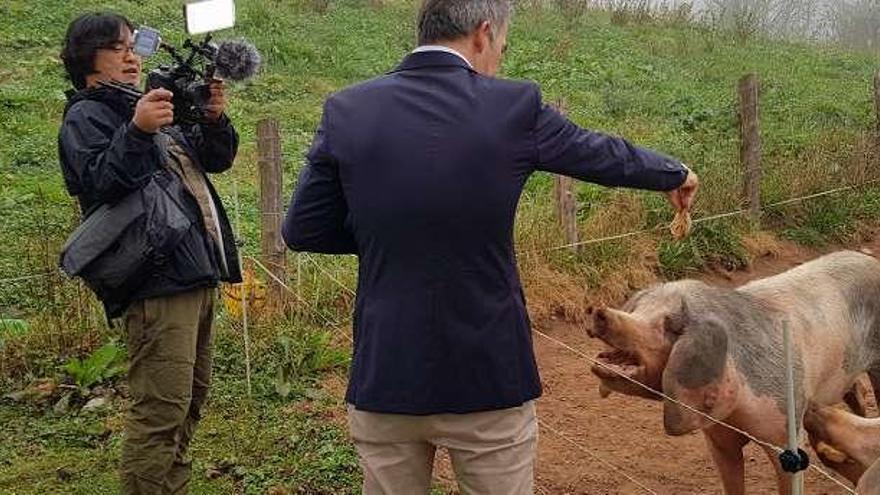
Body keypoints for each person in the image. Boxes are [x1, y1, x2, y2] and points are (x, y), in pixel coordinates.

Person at [282, 0, 699, 493]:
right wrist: (672, 172)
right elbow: (597, 154)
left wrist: (388, 237)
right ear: (483, 33)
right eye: (502, 44)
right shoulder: (513, 107)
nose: (499, 55)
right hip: (488, 375)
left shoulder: (346, 109)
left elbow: (303, 229)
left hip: (386, 375)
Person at [58, 12, 241, 494]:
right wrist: (137, 132)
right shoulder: (87, 115)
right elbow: (99, 184)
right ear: (87, 59)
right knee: (160, 410)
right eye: (116, 47)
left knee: (189, 401)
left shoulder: (149, 104)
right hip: (154, 279)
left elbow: (215, 159)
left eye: (133, 45)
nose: (131, 55)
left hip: (195, 271)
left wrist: (213, 118)